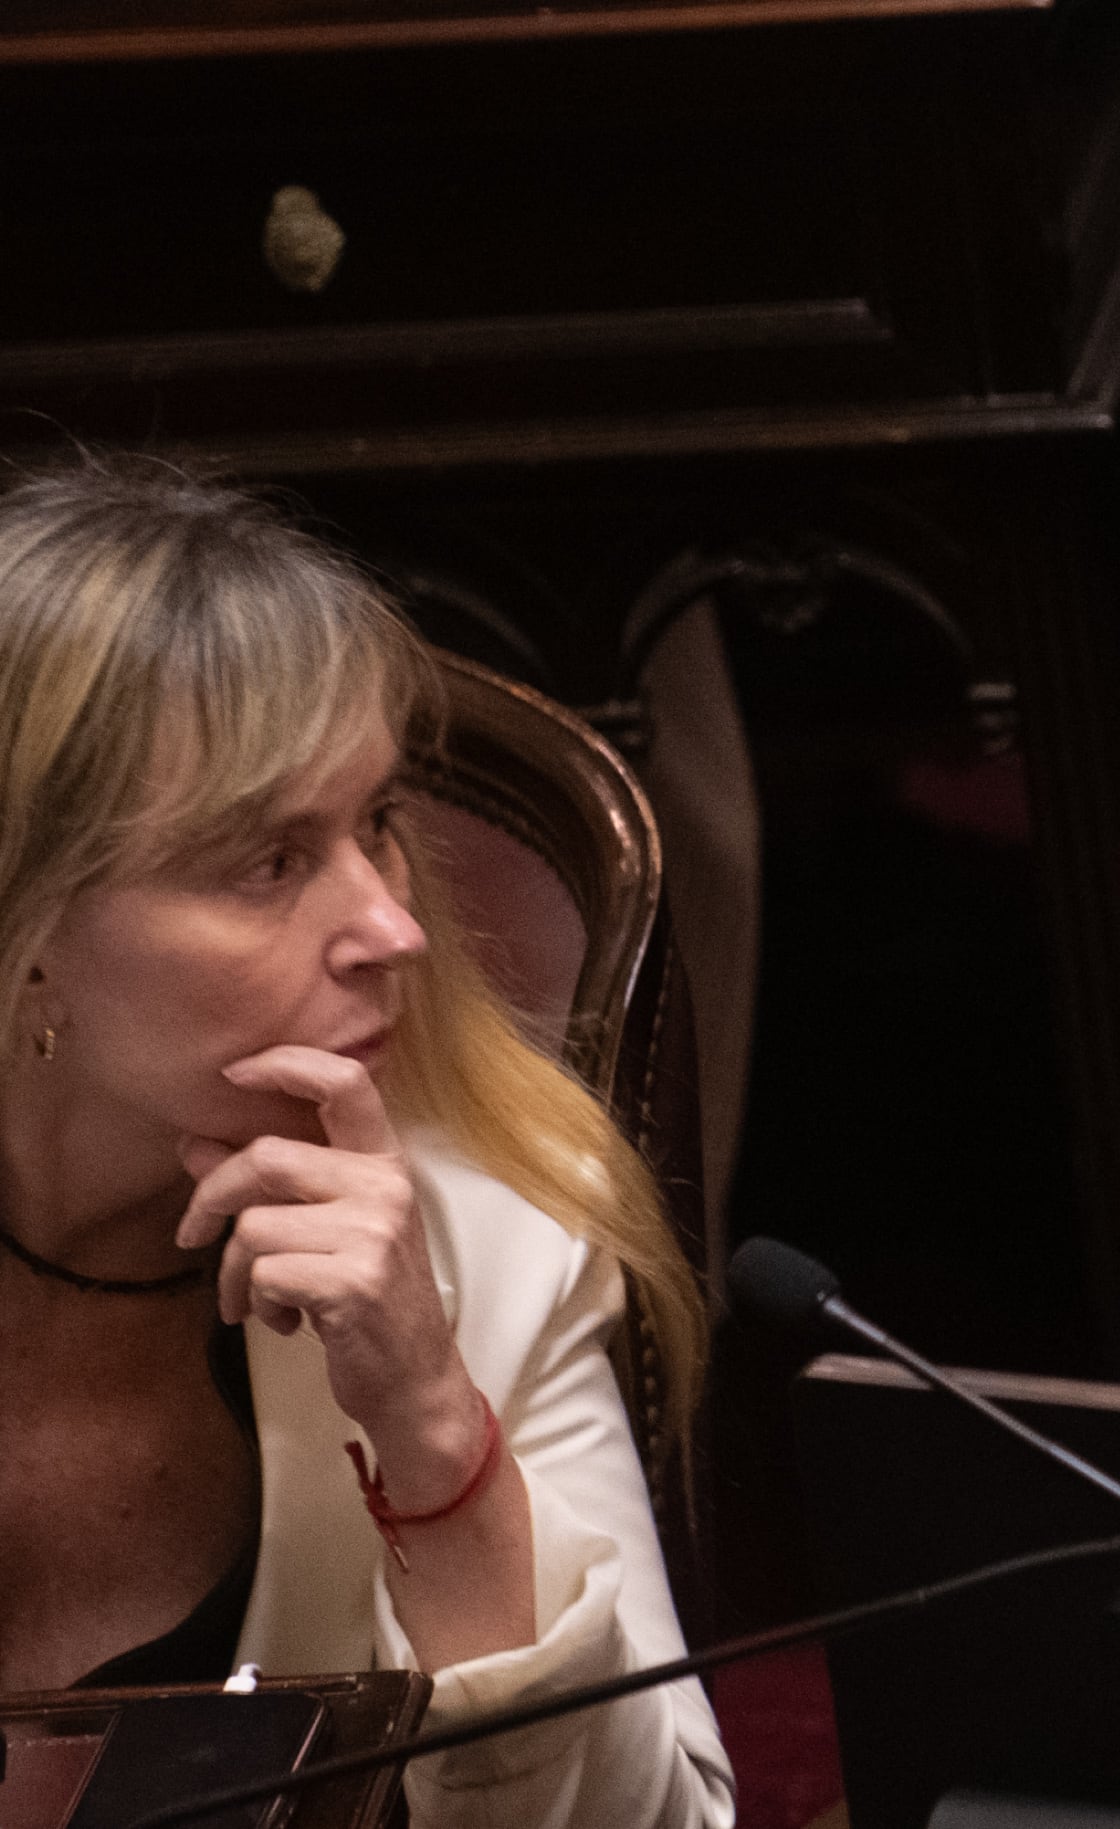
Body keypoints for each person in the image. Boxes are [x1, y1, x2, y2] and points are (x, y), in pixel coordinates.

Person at [0, 462, 734, 1828]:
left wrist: (433, 1430)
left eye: (378, 824)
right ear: (30, 934)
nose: (391, 926)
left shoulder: (489, 1231)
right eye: (268, 860)